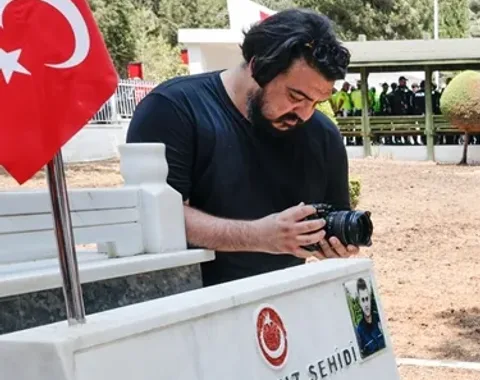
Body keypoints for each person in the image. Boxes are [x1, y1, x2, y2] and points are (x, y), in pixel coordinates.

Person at [126, 9, 358, 287]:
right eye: (295, 96)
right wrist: (259, 236)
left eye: (316, 103)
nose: (304, 114)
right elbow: (156, 214)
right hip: (190, 299)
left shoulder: (323, 134)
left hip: (282, 300)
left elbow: (334, 218)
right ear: (257, 67)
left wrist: (334, 242)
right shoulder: (172, 109)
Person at [353, 278, 386, 357]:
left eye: (367, 299)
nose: (366, 304)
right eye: (363, 300)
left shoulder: (379, 318)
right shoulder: (360, 331)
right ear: (359, 302)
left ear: (370, 299)